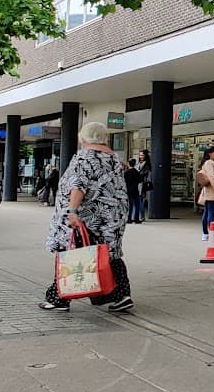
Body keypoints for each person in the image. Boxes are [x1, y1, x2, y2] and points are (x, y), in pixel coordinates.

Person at [42, 122, 133, 313]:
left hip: (87, 216)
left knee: (71, 251)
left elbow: (78, 185)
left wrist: (72, 211)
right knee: (108, 253)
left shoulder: (84, 157)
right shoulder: (114, 158)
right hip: (112, 215)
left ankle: (60, 297)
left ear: (84, 138)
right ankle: (121, 295)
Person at [197, 146, 214, 242]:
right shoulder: (210, 163)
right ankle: (212, 234)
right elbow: (212, 177)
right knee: (210, 214)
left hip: (208, 191)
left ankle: (205, 234)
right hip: (212, 192)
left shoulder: (206, 163)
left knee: (207, 212)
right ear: (210, 153)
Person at [124, 158, 144, 223]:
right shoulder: (137, 172)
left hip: (128, 190)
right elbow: (140, 180)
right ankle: (136, 219)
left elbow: (124, 182)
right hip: (135, 190)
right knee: (137, 205)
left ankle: (129, 219)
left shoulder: (126, 173)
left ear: (128, 164)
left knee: (130, 205)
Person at [137, 149, 153, 221]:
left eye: (142, 155)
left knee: (140, 200)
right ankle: (141, 216)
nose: (141, 156)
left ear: (145, 156)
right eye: (140, 155)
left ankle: (142, 216)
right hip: (139, 183)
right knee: (140, 200)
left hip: (142, 184)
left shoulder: (146, 164)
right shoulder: (140, 163)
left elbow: (141, 173)